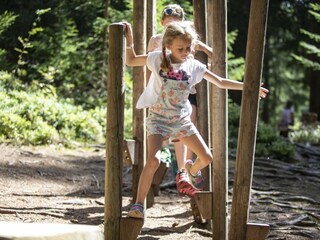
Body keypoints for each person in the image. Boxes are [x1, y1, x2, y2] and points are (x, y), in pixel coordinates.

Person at [123, 21, 268, 218]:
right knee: (153, 160)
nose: (185, 52)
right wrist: (129, 39)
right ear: (168, 46)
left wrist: (248, 86)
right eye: (180, 48)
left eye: (188, 48)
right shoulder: (157, 59)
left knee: (207, 158)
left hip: (181, 120)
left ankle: (190, 170)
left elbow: (220, 82)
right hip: (158, 119)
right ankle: (138, 205)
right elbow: (131, 61)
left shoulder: (194, 66)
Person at [145, 4, 213, 196]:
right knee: (166, 125)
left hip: (184, 86)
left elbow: (211, 52)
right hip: (163, 87)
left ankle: (184, 169)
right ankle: (171, 157)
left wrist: (213, 61)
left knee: (189, 117)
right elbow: (146, 64)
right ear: (162, 24)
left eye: (176, 23)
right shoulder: (156, 41)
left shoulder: (187, 37)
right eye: (168, 24)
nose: (172, 27)